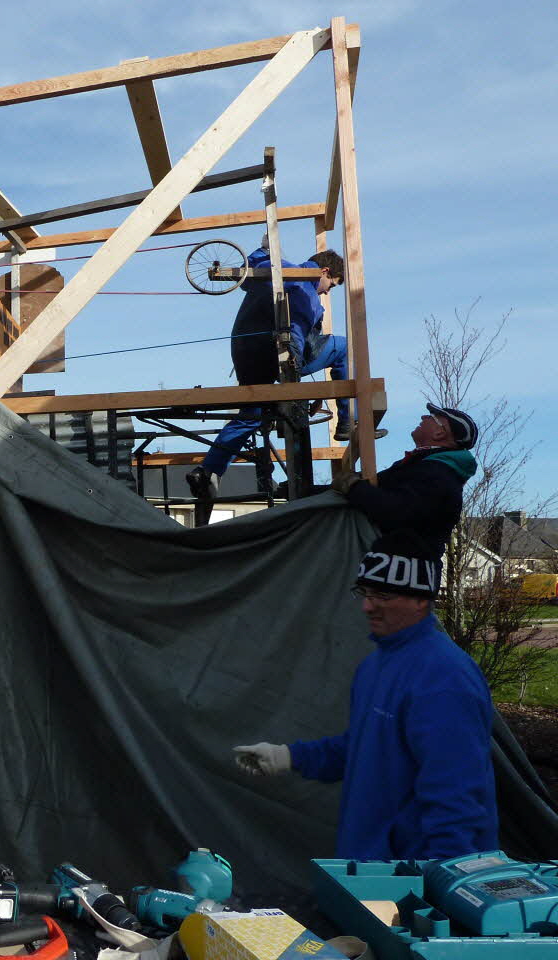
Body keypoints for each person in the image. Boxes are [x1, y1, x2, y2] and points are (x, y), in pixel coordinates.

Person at [232, 529, 497, 860]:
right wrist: (289, 756)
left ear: (421, 599)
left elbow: (456, 794)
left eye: (383, 595)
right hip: (371, 869)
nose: (367, 606)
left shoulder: (444, 678)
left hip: (414, 874)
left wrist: (441, 879)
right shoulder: (376, 665)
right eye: (365, 592)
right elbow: (366, 747)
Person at [187, 247, 347, 499]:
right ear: (324, 271)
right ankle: (347, 421)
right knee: (345, 348)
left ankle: (207, 470)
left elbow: (255, 265)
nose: (327, 291)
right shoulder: (303, 288)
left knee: (251, 415)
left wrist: (264, 249)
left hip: (245, 353)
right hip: (277, 354)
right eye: (332, 284)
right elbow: (296, 331)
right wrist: (295, 379)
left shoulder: (276, 272)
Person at [333, 403, 478, 555]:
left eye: (432, 417)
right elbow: (378, 489)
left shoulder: (438, 474)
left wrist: (353, 486)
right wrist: (353, 485)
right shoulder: (421, 467)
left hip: (402, 566)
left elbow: (396, 511)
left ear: (439, 433)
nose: (424, 417)